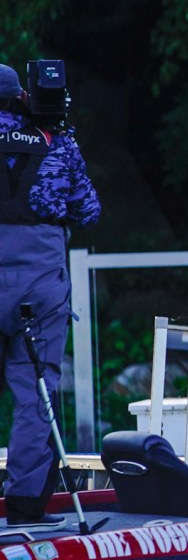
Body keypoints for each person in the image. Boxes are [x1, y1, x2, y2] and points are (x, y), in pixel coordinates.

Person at [0, 62, 100, 531]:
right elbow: (89, 211)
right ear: (22, 97)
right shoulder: (56, 143)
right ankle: (25, 506)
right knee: (34, 394)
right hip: (38, 289)